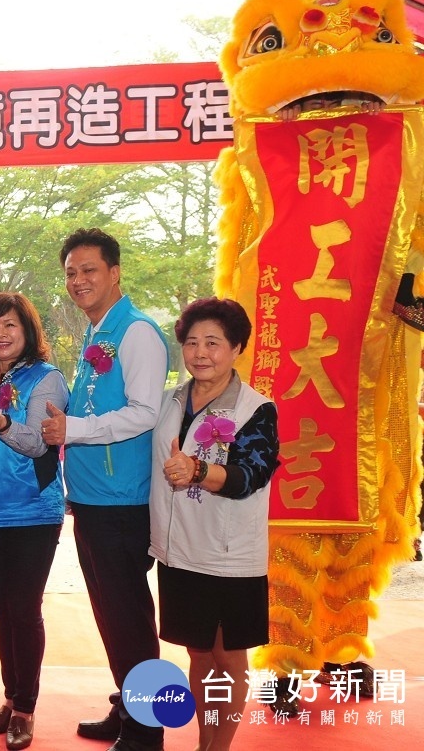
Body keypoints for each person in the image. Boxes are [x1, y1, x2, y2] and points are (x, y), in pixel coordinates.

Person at [40, 229, 168, 751]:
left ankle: (149, 729)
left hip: (123, 501)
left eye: (89, 269)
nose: (79, 280)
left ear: (115, 273)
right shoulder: (99, 333)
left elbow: (145, 413)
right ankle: (128, 704)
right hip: (92, 498)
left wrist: (73, 429)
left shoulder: (137, 332)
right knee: (111, 612)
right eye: (71, 272)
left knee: (131, 618)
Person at [151, 298, 279, 751]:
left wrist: (200, 471)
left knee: (228, 659)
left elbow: (251, 475)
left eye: (213, 343)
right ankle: (205, 742)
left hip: (228, 556)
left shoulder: (255, 408)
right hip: (179, 550)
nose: (200, 353)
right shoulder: (170, 401)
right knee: (199, 654)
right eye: (191, 342)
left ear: (237, 347)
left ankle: (217, 748)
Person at [0, 293, 69, 751]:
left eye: (10, 326)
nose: (0, 334)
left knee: (24, 609)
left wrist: (2, 423)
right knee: (3, 611)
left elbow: (42, 445)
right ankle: (10, 695)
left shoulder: (47, 379)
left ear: (28, 331)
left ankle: (25, 708)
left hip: (32, 512)